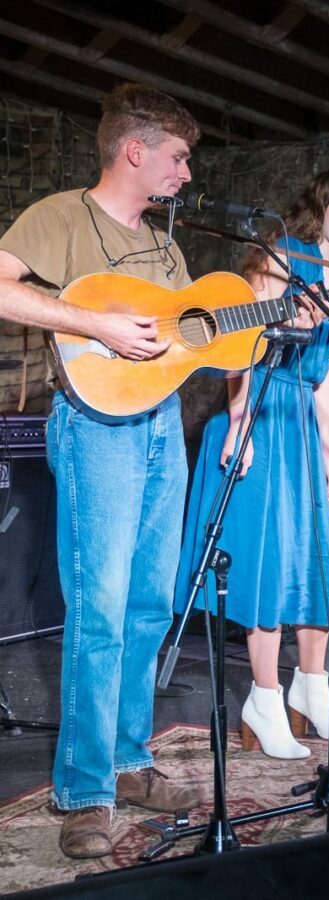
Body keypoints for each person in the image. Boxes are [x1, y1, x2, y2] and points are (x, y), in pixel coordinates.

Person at [0, 83, 202, 859]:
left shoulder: (166, 244)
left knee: (150, 605)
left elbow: (188, 337)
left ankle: (127, 760)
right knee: (102, 609)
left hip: (160, 428)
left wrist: (254, 321)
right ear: (135, 150)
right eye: (179, 157)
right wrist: (94, 323)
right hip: (93, 429)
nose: (186, 173)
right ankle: (83, 788)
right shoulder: (57, 217)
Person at [174, 163, 329, 759]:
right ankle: (264, 699)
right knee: (265, 565)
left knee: (313, 560)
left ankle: (313, 688)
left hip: (302, 430)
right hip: (259, 411)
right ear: (321, 206)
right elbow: (241, 346)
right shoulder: (281, 257)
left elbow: (326, 372)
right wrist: (239, 425)